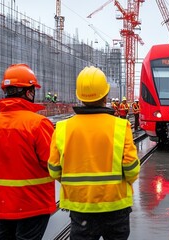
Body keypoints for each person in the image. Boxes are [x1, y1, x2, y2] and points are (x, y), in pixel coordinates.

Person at [48, 66, 140, 240]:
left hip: (81, 209)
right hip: (116, 207)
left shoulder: (62, 128)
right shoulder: (120, 127)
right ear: (105, 95)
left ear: (79, 96)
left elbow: (54, 170)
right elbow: (132, 169)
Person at [0, 63, 55, 240]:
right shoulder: (38, 124)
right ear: (28, 92)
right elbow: (52, 162)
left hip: (2, 204)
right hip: (33, 203)